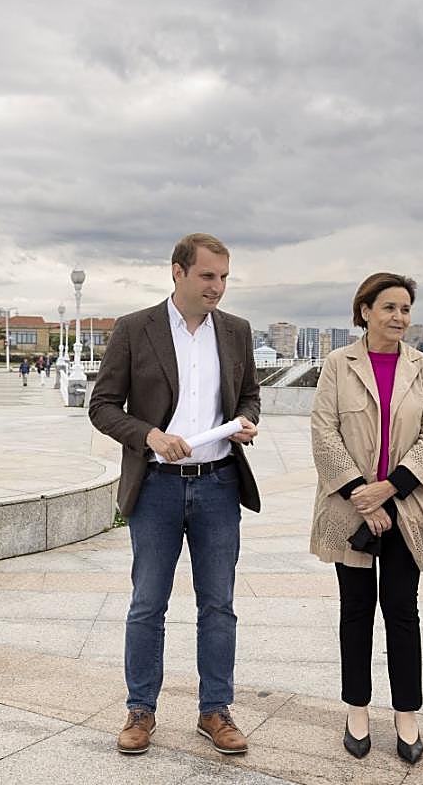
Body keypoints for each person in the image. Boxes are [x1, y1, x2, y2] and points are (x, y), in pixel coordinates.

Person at [89, 233, 261, 757]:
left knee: (219, 606)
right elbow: (101, 405)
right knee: (147, 604)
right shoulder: (133, 328)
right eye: (208, 276)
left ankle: (215, 710)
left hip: (218, 484)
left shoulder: (236, 332)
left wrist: (246, 422)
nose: (218, 287)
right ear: (178, 273)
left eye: (224, 277)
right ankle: (140, 710)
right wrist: (149, 436)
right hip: (158, 487)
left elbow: (250, 396)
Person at [309, 272, 423, 765]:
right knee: (356, 610)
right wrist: (361, 495)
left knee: (402, 611)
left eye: (405, 309)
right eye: (389, 307)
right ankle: (357, 708)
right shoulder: (337, 365)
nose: (399, 318)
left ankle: (406, 714)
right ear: (364, 310)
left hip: (406, 505)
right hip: (351, 509)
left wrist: (391, 489)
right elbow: (324, 433)